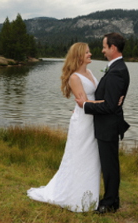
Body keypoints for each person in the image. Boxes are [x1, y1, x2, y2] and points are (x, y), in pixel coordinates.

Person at [27, 42, 102, 212]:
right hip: (83, 122)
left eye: (90, 52)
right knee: (79, 156)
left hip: (94, 120)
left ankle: (89, 195)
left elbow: (93, 96)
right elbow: (84, 103)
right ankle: (73, 195)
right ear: (79, 56)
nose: (90, 54)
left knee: (92, 157)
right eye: (87, 52)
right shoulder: (74, 78)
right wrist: (108, 103)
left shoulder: (89, 72)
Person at [76, 32, 130, 214]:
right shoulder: (117, 68)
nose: (102, 50)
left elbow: (108, 106)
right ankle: (112, 199)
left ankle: (109, 203)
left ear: (113, 48)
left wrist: (85, 106)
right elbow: (111, 101)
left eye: (104, 47)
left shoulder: (117, 72)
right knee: (110, 164)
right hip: (107, 124)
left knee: (109, 166)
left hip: (108, 125)